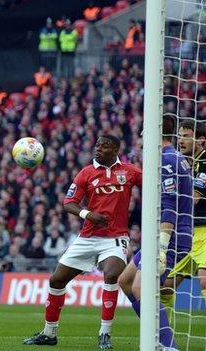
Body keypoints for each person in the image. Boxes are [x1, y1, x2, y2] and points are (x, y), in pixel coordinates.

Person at [23, 135, 142, 350]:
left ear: (115, 150)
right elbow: (69, 202)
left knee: (112, 274)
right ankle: (49, 333)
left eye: (104, 146)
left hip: (115, 237)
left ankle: (104, 334)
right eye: (97, 145)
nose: (98, 149)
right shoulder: (86, 173)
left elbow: (152, 185)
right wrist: (88, 214)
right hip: (87, 237)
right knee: (56, 280)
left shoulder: (130, 171)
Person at [118, 116, 193, 351]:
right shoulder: (170, 158)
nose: (141, 136)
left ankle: (167, 346)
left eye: (143, 131)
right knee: (126, 281)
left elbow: (169, 205)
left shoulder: (167, 160)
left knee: (142, 288)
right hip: (158, 236)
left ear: (154, 132)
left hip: (169, 237)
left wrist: (162, 245)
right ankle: (156, 336)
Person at [166, 121, 206, 317]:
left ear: (201, 141)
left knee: (204, 280)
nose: (181, 140)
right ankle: (163, 336)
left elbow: (194, 199)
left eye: (186, 136)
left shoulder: (205, 162)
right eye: (179, 135)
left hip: (204, 231)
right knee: (165, 286)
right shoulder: (189, 163)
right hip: (189, 234)